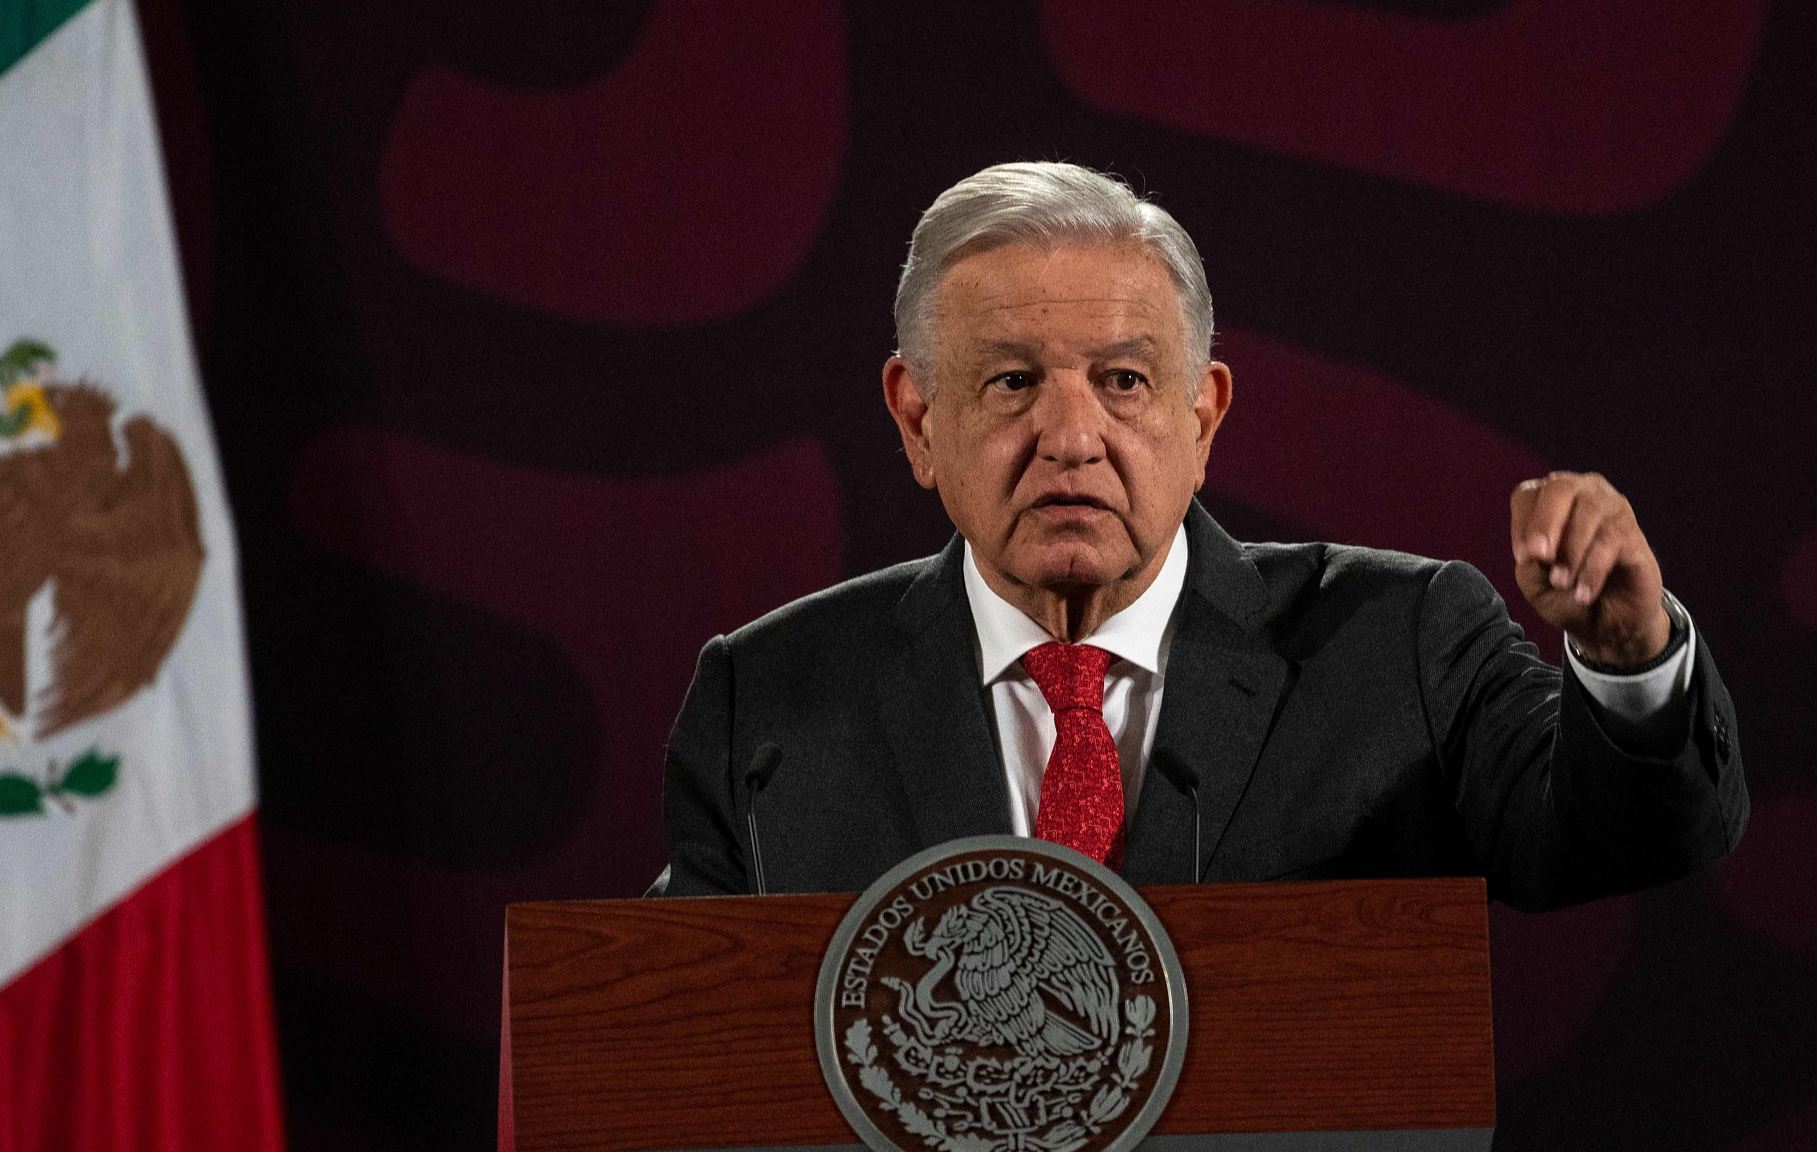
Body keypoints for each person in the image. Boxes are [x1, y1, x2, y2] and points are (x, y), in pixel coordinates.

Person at [660, 162, 1746, 910]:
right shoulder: (768, 702)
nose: (1069, 436)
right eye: (1010, 382)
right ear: (916, 418)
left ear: (1201, 415)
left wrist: (1625, 660)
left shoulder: (1395, 645)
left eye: (1123, 381)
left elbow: (1632, 839)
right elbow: (662, 1038)